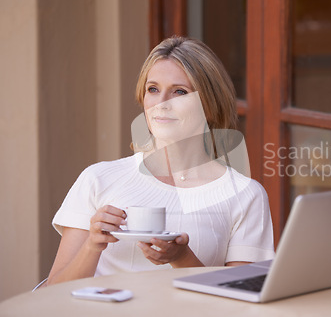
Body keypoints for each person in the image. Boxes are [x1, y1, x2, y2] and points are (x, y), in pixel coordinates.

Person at [46, 36, 275, 285]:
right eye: (153, 89)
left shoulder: (245, 195)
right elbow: (52, 292)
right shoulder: (98, 179)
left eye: (179, 91)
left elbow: (242, 299)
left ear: (209, 104)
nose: (161, 104)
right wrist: (92, 245)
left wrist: (181, 257)